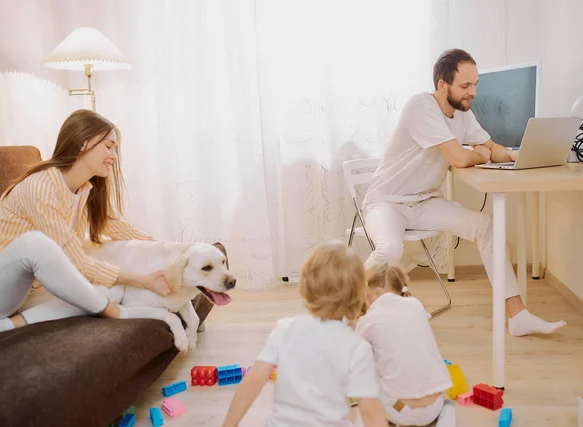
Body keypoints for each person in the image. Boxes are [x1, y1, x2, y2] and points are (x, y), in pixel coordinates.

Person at [361, 48, 566, 337]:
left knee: (485, 226)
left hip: (423, 202)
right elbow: (459, 158)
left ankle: (517, 315)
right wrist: (481, 155)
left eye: (475, 85)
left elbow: (490, 147)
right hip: (387, 201)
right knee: (390, 249)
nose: (473, 93)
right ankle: (343, 306)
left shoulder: (461, 114)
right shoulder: (421, 107)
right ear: (442, 85)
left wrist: (520, 156)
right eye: (465, 86)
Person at [0, 109, 212, 334]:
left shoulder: (84, 189)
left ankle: (13, 323)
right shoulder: (41, 187)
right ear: (84, 143)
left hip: (27, 294)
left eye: (115, 149)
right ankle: (111, 312)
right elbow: (75, 262)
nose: (114, 156)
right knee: (36, 243)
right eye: (108, 146)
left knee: (110, 291)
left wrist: (172, 252)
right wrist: (140, 280)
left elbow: (119, 227)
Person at [222, 241, 389, 427]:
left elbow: (254, 379)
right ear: (358, 295)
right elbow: (370, 412)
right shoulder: (357, 347)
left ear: (306, 287)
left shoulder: (285, 329)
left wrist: (229, 424)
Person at [356, 264, 455, 427]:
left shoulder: (367, 321)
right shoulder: (416, 306)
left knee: (365, 379)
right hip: (434, 406)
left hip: (398, 409)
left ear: (367, 294)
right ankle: (446, 418)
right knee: (447, 405)